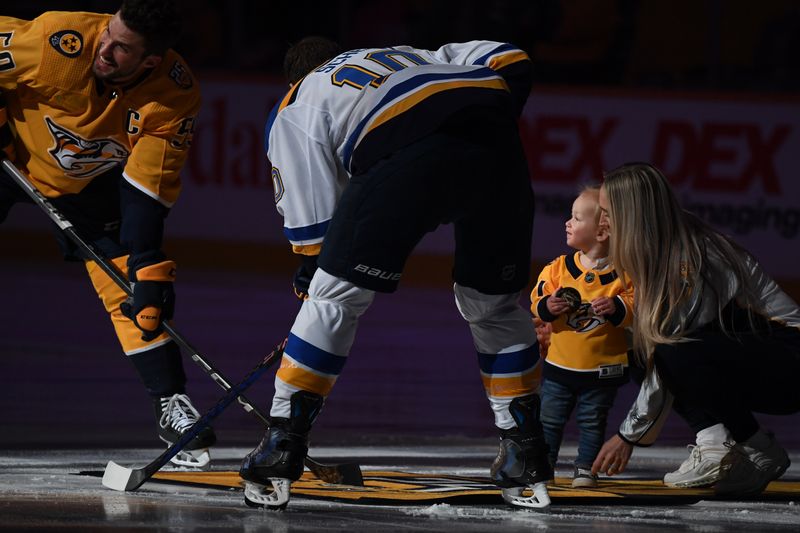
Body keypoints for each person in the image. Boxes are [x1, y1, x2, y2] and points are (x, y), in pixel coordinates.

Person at [239, 36, 552, 510]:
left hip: (409, 156)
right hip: (499, 149)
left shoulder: (298, 98)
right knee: (494, 306)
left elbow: (313, 233)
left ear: (293, 77)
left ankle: (283, 444)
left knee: (334, 299)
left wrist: (314, 273)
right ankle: (525, 454)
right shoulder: (410, 55)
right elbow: (511, 58)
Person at [0, 1, 215, 467]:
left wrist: (148, 263)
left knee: (130, 287)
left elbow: (146, 188)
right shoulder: (58, 41)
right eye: (108, 35)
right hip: (11, 154)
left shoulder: (173, 96)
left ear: (151, 61)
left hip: (85, 187)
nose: (105, 49)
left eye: (121, 49)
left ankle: (169, 402)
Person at [591, 162, 800, 497]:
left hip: (790, 360)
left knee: (671, 349)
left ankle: (758, 447)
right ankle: (714, 441)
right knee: (634, 338)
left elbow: (669, 351)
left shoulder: (691, 257)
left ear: (633, 214)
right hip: (758, 354)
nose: (602, 222)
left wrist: (627, 436)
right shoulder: (659, 248)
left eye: (608, 213)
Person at [531, 184, 634, 488]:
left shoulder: (625, 273)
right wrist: (547, 306)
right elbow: (537, 300)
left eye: (576, 218)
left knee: (592, 422)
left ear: (602, 232)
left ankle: (585, 468)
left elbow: (637, 303)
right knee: (549, 421)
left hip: (602, 368)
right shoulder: (558, 268)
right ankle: (544, 465)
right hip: (560, 366)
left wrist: (617, 306)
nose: (568, 222)